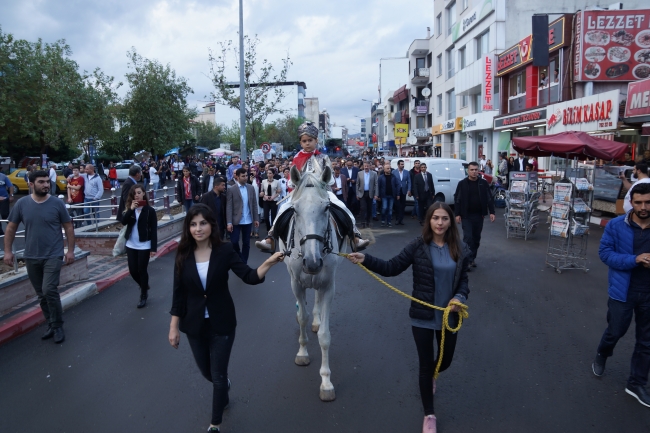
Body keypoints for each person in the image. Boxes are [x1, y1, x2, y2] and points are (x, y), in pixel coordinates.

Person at [345, 202, 471, 433]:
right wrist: (366, 259)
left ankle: (432, 377)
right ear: (429, 220)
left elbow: (463, 280)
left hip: (448, 316)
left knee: (446, 361)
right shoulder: (418, 246)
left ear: (451, 221)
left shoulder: (460, 248)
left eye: (444, 218)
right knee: (425, 366)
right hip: (422, 316)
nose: (440, 223)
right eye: (435, 218)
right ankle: (429, 415)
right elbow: (392, 267)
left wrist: (460, 297)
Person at [169, 205, 284, 433]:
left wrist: (269, 263)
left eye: (203, 223)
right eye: (193, 224)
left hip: (221, 323)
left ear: (212, 225)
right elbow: (178, 293)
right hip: (194, 325)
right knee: (207, 373)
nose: (198, 228)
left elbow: (249, 276)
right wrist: (173, 327)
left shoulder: (225, 250)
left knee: (219, 376)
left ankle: (215, 424)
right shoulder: (182, 253)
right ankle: (223, 388)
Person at [255, 122, 369, 251]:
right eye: (304, 141)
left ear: (316, 140)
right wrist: (296, 182)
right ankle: (271, 238)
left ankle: (355, 237)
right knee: (283, 208)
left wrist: (320, 180)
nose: (307, 143)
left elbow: (330, 181)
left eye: (310, 140)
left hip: (322, 192)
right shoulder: (297, 158)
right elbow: (291, 181)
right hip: (301, 193)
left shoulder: (323, 158)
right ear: (301, 143)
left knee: (342, 206)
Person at [593, 183, 650, 407]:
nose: (644, 207)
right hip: (622, 291)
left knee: (646, 342)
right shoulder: (617, 225)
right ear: (631, 203)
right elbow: (605, 254)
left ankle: (636, 383)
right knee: (615, 331)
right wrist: (634, 259)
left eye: (648, 202)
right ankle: (602, 353)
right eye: (639, 202)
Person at [3, 170, 76, 344]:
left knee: (49, 290)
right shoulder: (22, 204)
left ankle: (58, 325)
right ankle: (51, 323)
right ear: (31, 184)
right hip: (31, 255)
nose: (46, 185)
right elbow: (11, 228)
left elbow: (69, 227)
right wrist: (7, 251)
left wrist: (70, 250)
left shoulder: (57, 204)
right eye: (41, 182)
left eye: (47, 182)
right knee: (41, 294)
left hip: (53, 254)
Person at [454, 162, 495, 268]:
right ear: (468, 171)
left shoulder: (483, 183)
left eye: (476, 169)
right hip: (466, 215)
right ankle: (465, 261)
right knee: (468, 238)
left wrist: (492, 212)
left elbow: (489, 198)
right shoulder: (462, 183)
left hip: (479, 215)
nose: (474, 172)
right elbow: (457, 199)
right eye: (472, 170)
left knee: (476, 238)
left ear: (478, 171)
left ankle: (472, 258)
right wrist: (457, 214)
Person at [122, 184, 158, 308]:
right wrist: (131, 209)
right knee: (133, 270)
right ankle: (144, 284)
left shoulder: (150, 210)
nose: (136, 195)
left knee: (142, 270)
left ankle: (143, 294)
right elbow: (123, 221)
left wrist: (153, 248)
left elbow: (153, 230)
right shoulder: (130, 208)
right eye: (134, 193)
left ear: (143, 193)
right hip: (131, 244)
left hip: (144, 245)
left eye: (138, 193)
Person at [226, 168, 259, 264]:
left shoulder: (250, 188)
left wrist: (256, 218)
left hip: (248, 220)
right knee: (234, 241)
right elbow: (229, 207)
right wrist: (229, 222)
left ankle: (243, 262)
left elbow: (254, 204)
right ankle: (239, 257)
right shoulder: (232, 189)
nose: (245, 178)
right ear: (237, 177)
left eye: (246, 176)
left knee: (246, 243)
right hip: (236, 220)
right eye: (243, 176)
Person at [357, 160, 379, 228]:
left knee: (369, 208)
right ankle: (362, 222)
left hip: (370, 193)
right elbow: (357, 184)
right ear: (363, 166)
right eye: (365, 166)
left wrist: (376, 194)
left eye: (367, 166)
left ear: (370, 166)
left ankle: (368, 222)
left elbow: (376, 184)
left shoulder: (374, 173)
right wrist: (357, 194)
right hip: (362, 193)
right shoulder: (359, 173)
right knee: (363, 208)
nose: (366, 167)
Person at [378, 162, 399, 227]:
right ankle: (383, 220)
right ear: (384, 170)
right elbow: (378, 186)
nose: (389, 169)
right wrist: (378, 195)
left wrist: (398, 194)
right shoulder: (381, 177)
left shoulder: (393, 177)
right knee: (384, 208)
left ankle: (389, 221)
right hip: (384, 195)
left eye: (390, 168)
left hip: (392, 195)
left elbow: (397, 185)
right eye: (387, 168)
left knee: (390, 209)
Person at [394, 159, 412, 226]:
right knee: (397, 206)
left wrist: (409, 189)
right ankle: (397, 219)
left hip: (404, 190)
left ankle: (401, 219)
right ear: (398, 165)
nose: (402, 165)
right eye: (401, 164)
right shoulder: (394, 172)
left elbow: (409, 181)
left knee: (402, 206)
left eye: (403, 164)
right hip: (397, 191)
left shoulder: (406, 172)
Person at [0, 169, 14, 235]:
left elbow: (10, 186)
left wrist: (11, 195)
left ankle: (12, 228)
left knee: (5, 215)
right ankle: (0, 232)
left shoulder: (3, 176)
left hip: (4, 199)